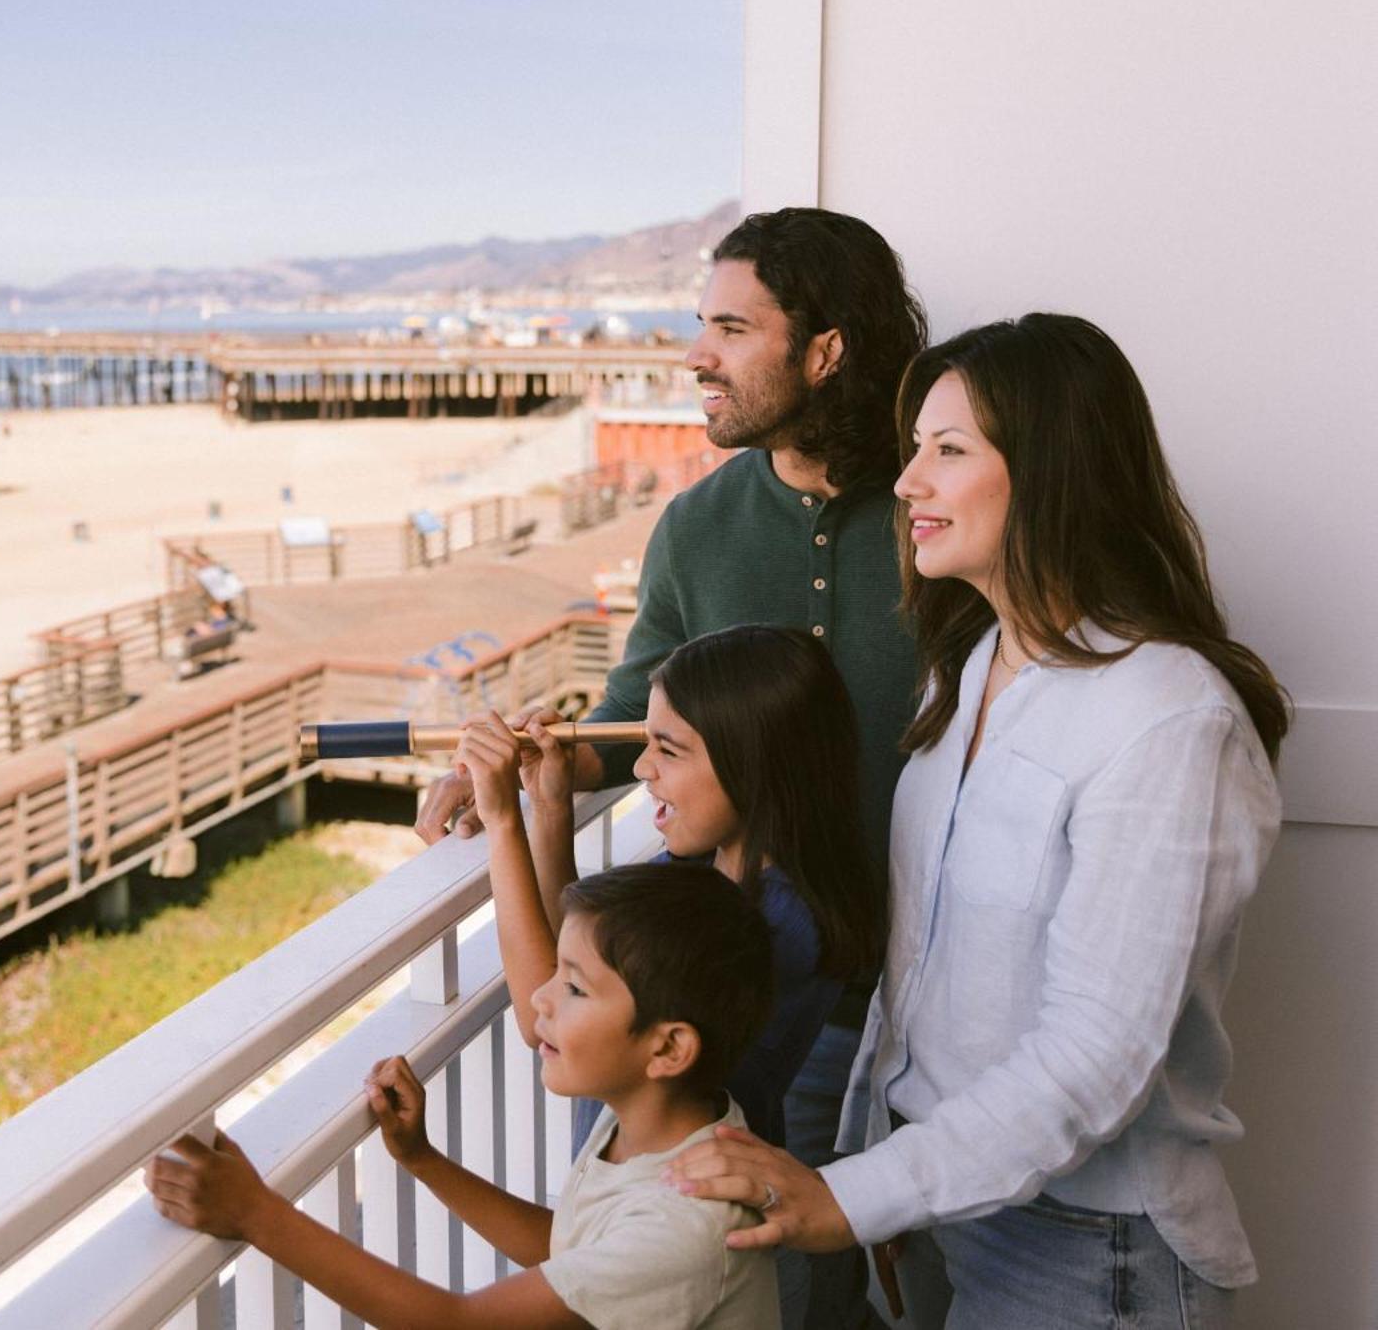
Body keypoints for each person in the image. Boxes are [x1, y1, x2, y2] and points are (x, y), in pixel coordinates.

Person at [664, 314, 1288, 1330]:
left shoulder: (1166, 714)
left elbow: (1096, 1052)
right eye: (914, 449)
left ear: (1052, 474)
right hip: (952, 1207)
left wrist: (853, 1193)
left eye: (946, 452)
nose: (907, 482)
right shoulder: (967, 668)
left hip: (1090, 1253)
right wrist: (898, 1170)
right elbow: (922, 976)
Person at [418, 206, 926, 1329]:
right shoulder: (696, 525)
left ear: (824, 349)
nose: (694, 355)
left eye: (730, 328)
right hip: (755, 988)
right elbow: (621, 714)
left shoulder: (936, 505)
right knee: (763, 1275)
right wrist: (510, 777)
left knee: (901, 1278)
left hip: (929, 986)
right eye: (700, 324)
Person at [146, 864, 781, 1329]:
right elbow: (575, 1249)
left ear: (668, 1049)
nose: (540, 998)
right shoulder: (660, 1128)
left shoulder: (685, 1219)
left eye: (577, 989)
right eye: (555, 973)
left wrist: (256, 1213)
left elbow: (457, 1324)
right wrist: (424, 1160)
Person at [451, 625, 882, 1152]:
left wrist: (502, 821)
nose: (640, 767)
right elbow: (585, 953)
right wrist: (547, 807)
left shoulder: (773, 922)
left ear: (753, 763)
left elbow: (543, 1017)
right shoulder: (709, 866)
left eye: (669, 750)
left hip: (674, 1198)